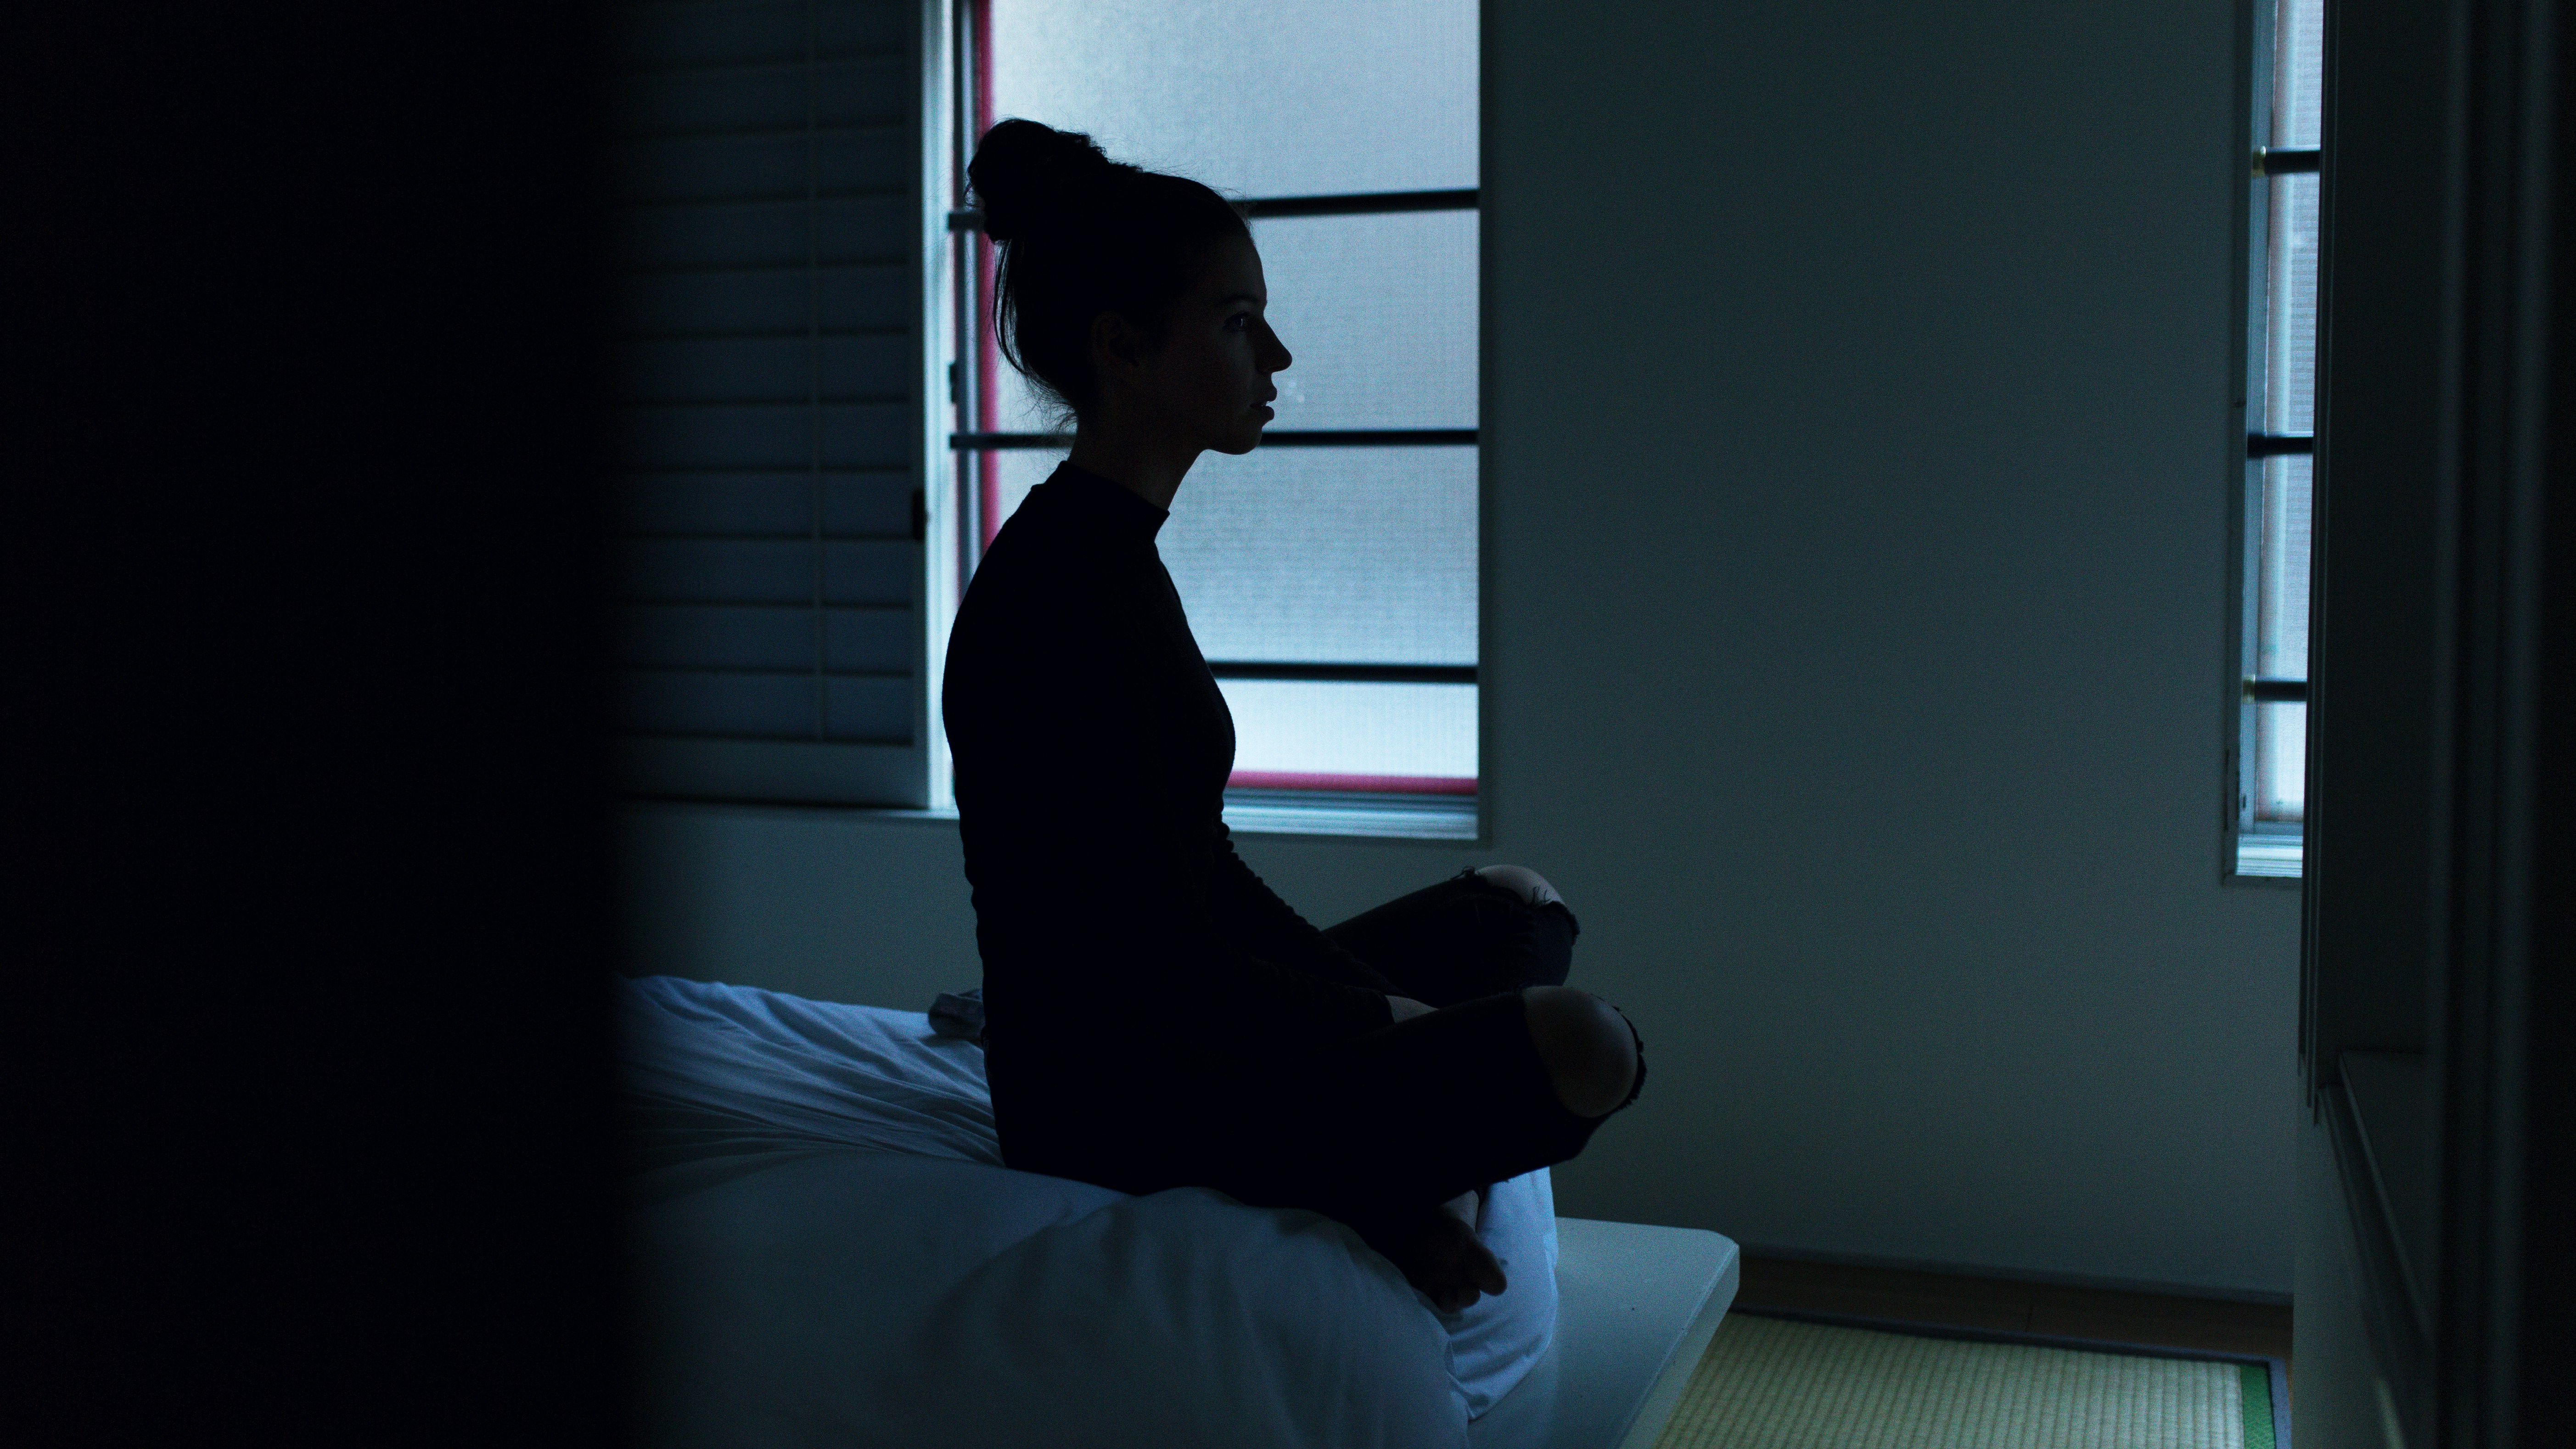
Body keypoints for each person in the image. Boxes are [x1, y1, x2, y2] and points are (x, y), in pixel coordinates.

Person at [941, 118, 1644, 1313]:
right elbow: (1157, 956)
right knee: (1588, 1045)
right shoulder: (1057, 598)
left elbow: (1203, 869)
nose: (1275, 354)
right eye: (1235, 322)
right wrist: (1381, 1016)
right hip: (1113, 1099)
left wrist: (1374, 1006)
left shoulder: (1111, 553)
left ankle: (1396, 1178)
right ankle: (1391, 1189)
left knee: (1514, 904)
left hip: (1186, 1022)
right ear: (1123, 347)